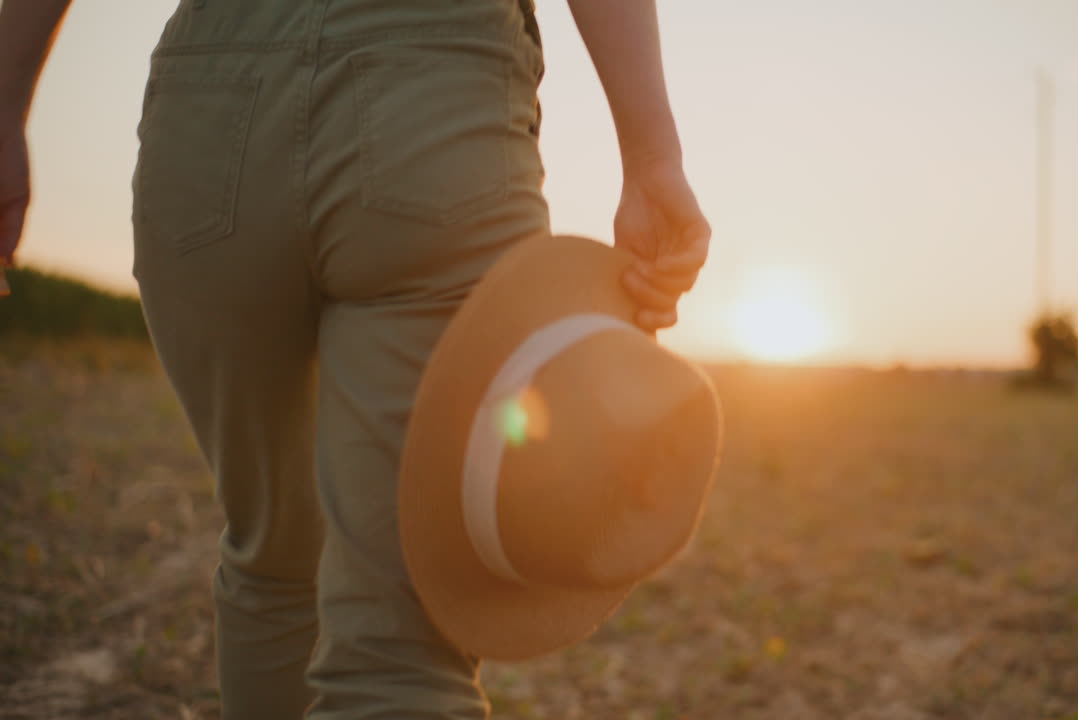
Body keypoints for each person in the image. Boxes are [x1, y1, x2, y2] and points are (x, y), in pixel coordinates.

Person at [0, 0, 711, 717]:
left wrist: (3, 103)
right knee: (401, 639)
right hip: (436, 91)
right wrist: (652, 156)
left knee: (274, 568)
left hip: (211, 101)